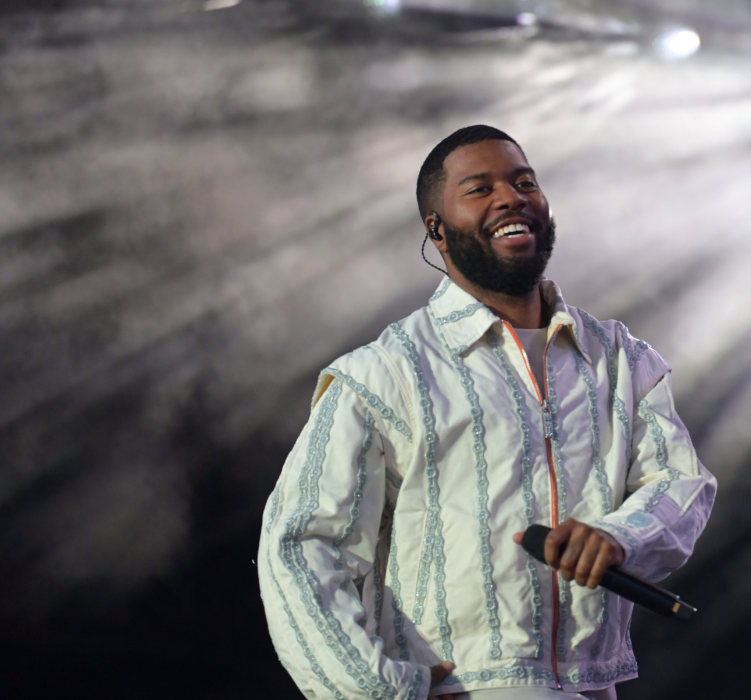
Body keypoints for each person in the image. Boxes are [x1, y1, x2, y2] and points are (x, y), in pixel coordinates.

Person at [257, 125, 716, 700]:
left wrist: (618, 536)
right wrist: (376, 690)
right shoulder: (385, 372)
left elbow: (681, 483)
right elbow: (301, 544)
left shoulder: (621, 359)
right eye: (479, 189)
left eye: (525, 181)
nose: (511, 196)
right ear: (437, 231)